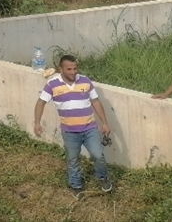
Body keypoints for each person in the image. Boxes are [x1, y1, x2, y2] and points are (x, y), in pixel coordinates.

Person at [33, 54, 114, 197]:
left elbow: (95, 102)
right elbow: (41, 102)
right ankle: (76, 186)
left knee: (98, 155)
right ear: (61, 69)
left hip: (90, 128)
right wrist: (37, 123)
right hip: (69, 132)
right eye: (69, 69)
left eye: (75, 68)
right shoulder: (52, 84)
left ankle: (103, 178)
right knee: (73, 159)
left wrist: (104, 123)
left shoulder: (85, 81)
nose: (73, 72)